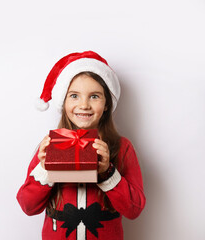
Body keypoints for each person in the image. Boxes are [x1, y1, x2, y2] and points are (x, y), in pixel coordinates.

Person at [16, 51, 146, 240]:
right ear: (63, 101)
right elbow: (28, 206)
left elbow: (134, 209)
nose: (84, 105)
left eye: (94, 96)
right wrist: (45, 168)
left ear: (107, 104)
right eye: (74, 96)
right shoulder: (49, 146)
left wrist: (107, 172)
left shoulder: (122, 147)